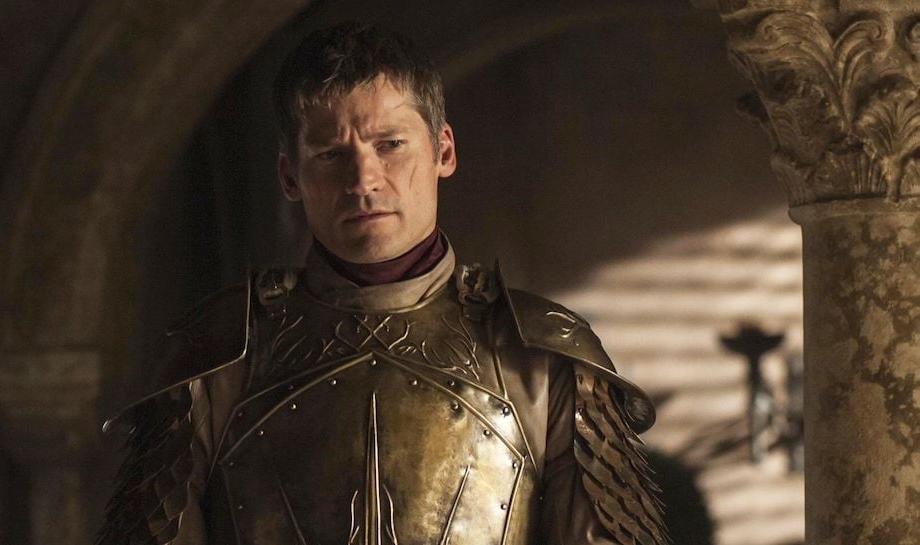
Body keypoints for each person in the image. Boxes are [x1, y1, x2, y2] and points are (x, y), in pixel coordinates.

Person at [96, 21, 666, 545]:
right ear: (289, 175)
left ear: (443, 150)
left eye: (389, 145)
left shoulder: (542, 355)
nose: (363, 179)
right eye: (330, 154)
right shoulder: (217, 357)